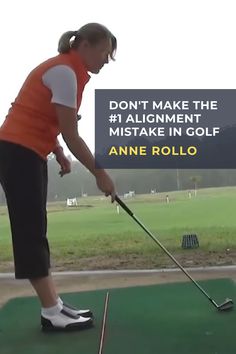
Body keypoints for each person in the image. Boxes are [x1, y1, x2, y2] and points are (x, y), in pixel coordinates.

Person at [0, 23, 117, 332]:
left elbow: (44, 117)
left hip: (28, 151)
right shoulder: (65, 72)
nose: (106, 60)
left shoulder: (70, 72)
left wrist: (59, 153)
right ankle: (51, 312)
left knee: (36, 228)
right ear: (85, 47)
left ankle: (54, 305)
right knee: (30, 231)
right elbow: (72, 134)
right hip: (17, 152)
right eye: (105, 53)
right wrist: (100, 173)